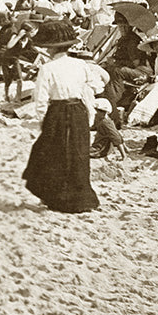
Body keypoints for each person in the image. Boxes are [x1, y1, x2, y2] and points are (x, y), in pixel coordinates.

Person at [22, 21, 100, 213]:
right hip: (78, 110)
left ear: (49, 48)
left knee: (51, 153)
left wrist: (43, 120)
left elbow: (40, 99)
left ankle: (55, 198)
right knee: (78, 153)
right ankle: (82, 199)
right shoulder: (80, 64)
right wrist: (89, 110)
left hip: (58, 111)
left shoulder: (47, 68)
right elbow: (96, 86)